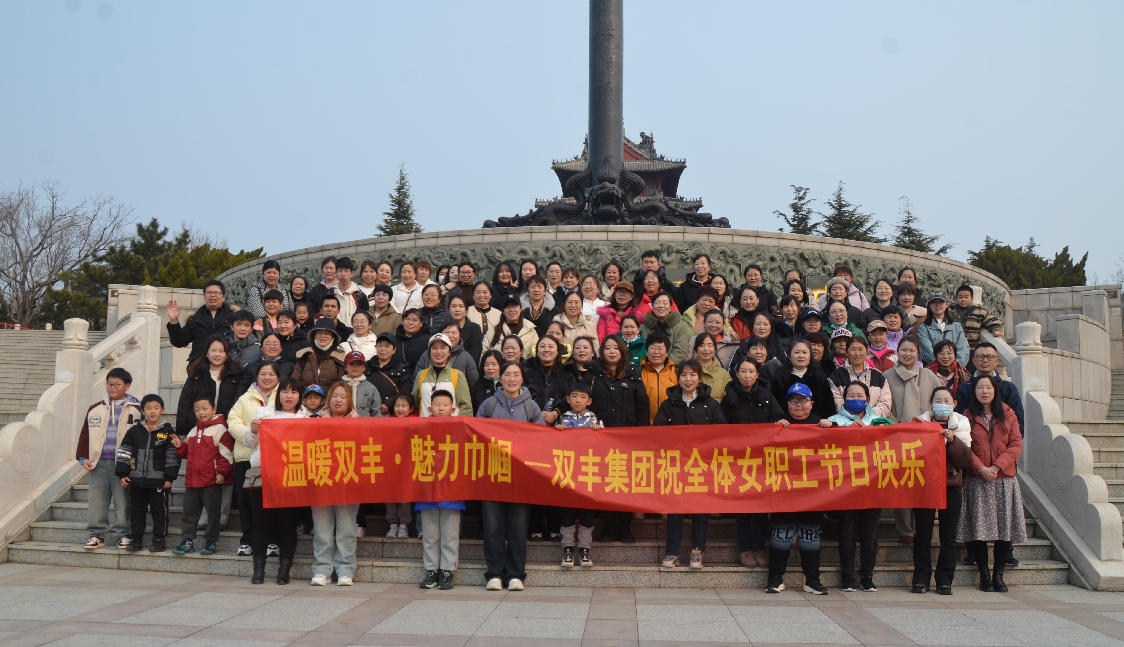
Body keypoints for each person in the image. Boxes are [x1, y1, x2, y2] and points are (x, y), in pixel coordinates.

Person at [477, 362, 545, 591]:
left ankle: (516, 574)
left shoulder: (531, 407)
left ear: (522, 379)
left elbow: (542, 437)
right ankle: (494, 573)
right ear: (500, 378)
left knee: (518, 526)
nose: (512, 379)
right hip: (492, 473)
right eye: (507, 374)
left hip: (520, 475)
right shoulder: (489, 404)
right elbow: (476, 435)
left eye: (516, 374)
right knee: (492, 526)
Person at [655, 359, 725, 569]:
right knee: (675, 509)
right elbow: (657, 433)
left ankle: (697, 551)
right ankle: (672, 552)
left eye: (693, 375)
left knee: (701, 509)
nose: (688, 379)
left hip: (701, 466)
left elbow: (722, 433)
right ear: (678, 378)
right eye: (684, 375)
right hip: (675, 465)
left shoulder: (711, 404)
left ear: (699, 377)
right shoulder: (668, 404)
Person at [959, 375, 1026, 593]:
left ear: (995, 390)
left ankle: (998, 575)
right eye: (980, 387)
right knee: (979, 531)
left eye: (988, 387)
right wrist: (980, 468)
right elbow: (964, 446)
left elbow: (1016, 444)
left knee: (1003, 530)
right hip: (977, 480)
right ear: (974, 391)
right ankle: (984, 576)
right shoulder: (966, 416)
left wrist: (997, 467)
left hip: (1003, 479)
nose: (984, 391)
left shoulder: (1008, 413)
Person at [767, 382, 833, 595]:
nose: (798, 405)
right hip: (783, 491)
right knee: (781, 535)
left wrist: (831, 427)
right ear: (787, 404)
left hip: (812, 493)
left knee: (810, 536)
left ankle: (812, 580)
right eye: (793, 400)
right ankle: (775, 578)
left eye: (803, 400)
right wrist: (774, 428)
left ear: (811, 403)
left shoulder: (822, 424)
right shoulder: (778, 424)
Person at [242, 377, 307, 584]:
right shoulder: (264, 414)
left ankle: (284, 570)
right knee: (261, 524)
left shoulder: (306, 418)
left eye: (294, 392)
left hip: (291, 477)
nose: (289, 396)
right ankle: (258, 570)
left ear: (300, 396)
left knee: (288, 526)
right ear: (279, 395)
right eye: (285, 391)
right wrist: (253, 430)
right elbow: (249, 442)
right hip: (263, 474)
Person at [721, 357, 784, 569]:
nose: (747, 375)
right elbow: (720, 428)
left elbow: (778, 417)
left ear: (757, 374)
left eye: (751, 371)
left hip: (762, 459)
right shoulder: (728, 397)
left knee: (760, 507)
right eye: (743, 371)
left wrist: (780, 422)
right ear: (736, 373)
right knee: (742, 509)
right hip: (739, 460)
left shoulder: (766, 394)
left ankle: (758, 548)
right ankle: (745, 550)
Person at [911, 386, 974, 595]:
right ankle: (921, 579)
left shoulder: (962, 425)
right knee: (923, 535)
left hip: (951, 486)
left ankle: (945, 580)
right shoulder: (920, 424)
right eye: (938, 400)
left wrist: (952, 440)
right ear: (931, 403)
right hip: (925, 485)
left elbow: (965, 461)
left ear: (955, 404)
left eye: (947, 401)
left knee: (948, 537)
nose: (943, 404)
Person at [827, 381, 888, 592]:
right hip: (846, 485)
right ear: (843, 399)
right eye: (850, 396)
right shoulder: (834, 420)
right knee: (848, 532)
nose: (855, 399)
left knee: (871, 534)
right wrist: (841, 431)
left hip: (873, 484)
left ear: (868, 399)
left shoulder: (879, 421)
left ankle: (867, 577)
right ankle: (847, 577)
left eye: (860, 396)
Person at [76, 368, 142, 550]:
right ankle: (96, 534)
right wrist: (83, 458)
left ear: (127, 386)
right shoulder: (95, 408)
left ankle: (123, 534)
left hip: (123, 464)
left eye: (117, 384)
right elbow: (85, 434)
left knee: (123, 500)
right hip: (99, 463)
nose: (112, 388)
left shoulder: (137, 409)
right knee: (97, 500)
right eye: (109, 384)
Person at [885, 335, 939, 543]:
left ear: (918, 354)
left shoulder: (928, 375)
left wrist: (927, 420)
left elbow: (938, 402)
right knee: (902, 484)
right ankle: (905, 531)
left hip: (925, 439)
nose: (907, 354)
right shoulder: (887, 376)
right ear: (897, 352)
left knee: (923, 482)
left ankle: (923, 528)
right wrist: (896, 423)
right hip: (897, 436)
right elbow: (884, 405)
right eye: (903, 350)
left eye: (912, 350)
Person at [227, 362, 281, 558]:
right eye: (263, 374)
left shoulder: (283, 396)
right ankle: (247, 541)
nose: (267, 377)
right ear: (257, 376)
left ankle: (273, 541)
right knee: (246, 502)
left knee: (272, 500)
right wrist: (251, 432)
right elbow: (232, 422)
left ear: (278, 377)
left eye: (271, 374)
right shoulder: (245, 398)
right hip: (247, 456)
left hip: (275, 458)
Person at [309, 383, 361, 586]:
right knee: (322, 528)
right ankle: (322, 569)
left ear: (350, 401)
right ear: (328, 399)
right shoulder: (314, 422)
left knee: (347, 527)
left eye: (343, 396)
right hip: (321, 479)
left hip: (348, 480)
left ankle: (345, 569)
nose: (338, 400)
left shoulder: (359, 423)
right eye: (335, 396)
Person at [415, 390, 466, 591]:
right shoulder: (421, 428)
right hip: (427, 490)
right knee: (430, 534)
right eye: (437, 405)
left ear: (453, 409)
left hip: (452, 490)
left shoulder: (460, 428)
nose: (441, 408)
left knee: (450, 534)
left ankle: (447, 570)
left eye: (445, 405)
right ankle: (431, 570)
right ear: (429, 408)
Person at [114, 393, 178, 553]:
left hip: (158, 481)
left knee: (159, 511)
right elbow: (124, 452)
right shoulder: (134, 431)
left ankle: (159, 539)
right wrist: (123, 474)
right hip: (136, 480)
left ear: (162, 410)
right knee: (136, 511)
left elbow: (172, 455)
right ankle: (136, 538)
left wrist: (169, 477)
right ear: (143, 411)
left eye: (156, 408)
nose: (152, 411)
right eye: (148, 408)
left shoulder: (168, 432)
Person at [171, 396, 233, 557]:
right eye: (197, 410)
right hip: (192, 481)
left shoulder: (220, 429)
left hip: (211, 480)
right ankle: (187, 541)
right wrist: (180, 446)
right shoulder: (193, 430)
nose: (201, 412)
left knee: (213, 513)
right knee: (189, 512)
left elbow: (226, 454)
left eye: (205, 409)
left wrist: (221, 472)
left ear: (214, 409)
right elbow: (186, 453)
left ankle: (210, 541)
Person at [555, 381, 602, 569]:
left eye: (583, 397)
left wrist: (599, 433)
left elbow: (604, 445)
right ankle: (567, 550)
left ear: (589, 401)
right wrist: (557, 431)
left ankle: (584, 550)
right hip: (566, 473)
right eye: (574, 396)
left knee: (586, 515)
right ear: (567, 399)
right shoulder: (561, 420)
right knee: (566, 513)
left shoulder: (595, 421)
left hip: (588, 474)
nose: (578, 400)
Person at [177, 337, 243, 440]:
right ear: (207, 353)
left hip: (226, 429)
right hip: (198, 428)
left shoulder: (236, 374)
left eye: (221, 351)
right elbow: (185, 403)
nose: (217, 354)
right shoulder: (197, 373)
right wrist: (181, 430)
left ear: (227, 354)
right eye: (213, 350)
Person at [955, 342, 1025, 436]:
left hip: (1003, 441)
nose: (985, 360)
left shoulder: (1008, 388)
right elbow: (958, 418)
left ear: (997, 361)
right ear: (974, 360)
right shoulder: (964, 388)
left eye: (989, 357)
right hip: (972, 440)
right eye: (981, 357)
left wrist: (1014, 441)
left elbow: (1018, 420)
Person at [166, 280, 235, 365]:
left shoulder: (233, 318)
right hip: (198, 367)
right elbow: (179, 342)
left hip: (225, 367)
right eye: (209, 292)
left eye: (216, 292)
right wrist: (174, 321)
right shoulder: (195, 319)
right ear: (204, 296)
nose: (212, 295)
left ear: (223, 297)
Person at [828, 335, 893, 418]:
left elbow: (885, 403)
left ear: (867, 351)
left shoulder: (878, 377)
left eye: (860, 349)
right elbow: (837, 403)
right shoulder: (835, 377)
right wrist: (853, 418)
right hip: (845, 423)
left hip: (873, 423)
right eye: (853, 349)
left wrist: (867, 417)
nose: (857, 353)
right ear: (847, 352)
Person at [771, 338, 835, 419]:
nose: (801, 356)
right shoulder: (780, 379)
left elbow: (829, 407)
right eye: (797, 352)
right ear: (789, 356)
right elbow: (775, 408)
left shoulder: (819, 378)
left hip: (816, 423)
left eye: (804, 352)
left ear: (810, 356)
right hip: (787, 423)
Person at [413, 333, 473, 417]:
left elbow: (466, 407)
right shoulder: (421, 375)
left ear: (449, 352)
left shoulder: (458, 375)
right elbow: (415, 402)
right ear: (429, 352)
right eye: (434, 348)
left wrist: (460, 425)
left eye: (443, 348)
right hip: (425, 424)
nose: (438, 352)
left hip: (451, 425)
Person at [383, 394, 417, 539]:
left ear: (411, 409)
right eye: (397, 406)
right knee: (389, 494)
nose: (400, 409)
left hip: (407, 466)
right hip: (390, 465)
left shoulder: (416, 422)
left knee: (405, 495)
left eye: (404, 406)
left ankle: (404, 524)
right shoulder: (387, 422)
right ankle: (392, 523)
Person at [951, 285, 1004, 369]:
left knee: (970, 371)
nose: (963, 300)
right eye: (960, 297)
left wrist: (995, 329)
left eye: (966, 297)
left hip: (971, 348)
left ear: (972, 299)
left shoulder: (979, 311)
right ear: (956, 299)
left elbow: (992, 320)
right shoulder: (950, 311)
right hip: (954, 349)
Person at [416, 320, 480, 385]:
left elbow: (474, 383)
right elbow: (416, 380)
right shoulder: (427, 354)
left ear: (460, 335)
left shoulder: (466, 357)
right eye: (447, 332)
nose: (450, 336)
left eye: (454, 332)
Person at [917, 292, 970, 366]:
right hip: (932, 369)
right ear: (929, 306)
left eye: (941, 302)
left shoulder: (957, 326)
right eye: (933, 302)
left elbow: (962, 349)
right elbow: (926, 350)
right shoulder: (923, 327)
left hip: (955, 369)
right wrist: (941, 366)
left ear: (947, 304)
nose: (937, 305)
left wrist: (956, 366)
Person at [640, 292, 692, 366]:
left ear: (670, 308)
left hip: (672, 368)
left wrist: (665, 365)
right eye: (657, 303)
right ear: (652, 307)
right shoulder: (643, 327)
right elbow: (640, 350)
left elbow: (680, 351)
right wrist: (651, 365)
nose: (661, 306)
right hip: (647, 367)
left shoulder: (680, 327)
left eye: (665, 303)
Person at [294, 319, 347, 391]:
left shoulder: (340, 359)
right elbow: (295, 385)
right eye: (319, 332)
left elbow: (342, 387)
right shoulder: (304, 356)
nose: (323, 336)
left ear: (333, 337)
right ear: (314, 336)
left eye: (327, 333)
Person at [365, 332, 411, 414]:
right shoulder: (367, 366)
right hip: (368, 411)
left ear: (394, 349)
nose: (383, 349)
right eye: (380, 345)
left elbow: (405, 393)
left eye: (387, 346)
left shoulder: (401, 368)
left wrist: (388, 403)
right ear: (375, 347)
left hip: (390, 412)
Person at [640, 333, 676, 424]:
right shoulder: (638, 373)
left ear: (666, 352)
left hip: (671, 424)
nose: (656, 352)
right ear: (646, 351)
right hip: (645, 424)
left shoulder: (676, 373)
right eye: (653, 348)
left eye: (660, 348)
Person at [340, 351, 382, 418]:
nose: (355, 366)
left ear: (364, 368)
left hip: (364, 423)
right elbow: (327, 408)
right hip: (342, 423)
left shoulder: (371, 388)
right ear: (345, 367)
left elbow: (377, 413)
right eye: (351, 363)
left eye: (359, 364)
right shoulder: (337, 387)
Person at [693, 332, 732, 401]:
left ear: (715, 349)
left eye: (710, 345)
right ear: (696, 349)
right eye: (702, 345)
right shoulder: (690, 372)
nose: (706, 349)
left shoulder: (724, 374)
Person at [332, 257, 369, 326]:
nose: (343, 274)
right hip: (334, 331)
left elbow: (366, 318)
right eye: (340, 271)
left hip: (354, 331)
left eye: (346, 271)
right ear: (336, 274)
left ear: (352, 273)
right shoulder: (330, 294)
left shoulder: (360, 295)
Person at [446, 294, 483, 362]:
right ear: (449, 309)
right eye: (453, 306)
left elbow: (475, 353)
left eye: (461, 306)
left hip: (467, 365)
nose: (457, 309)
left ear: (466, 310)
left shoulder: (475, 328)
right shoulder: (444, 328)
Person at [520, 274, 557, 338]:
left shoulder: (554, 310)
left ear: (545, 290)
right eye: (533, 287)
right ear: (527, 291)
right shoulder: (519, 309)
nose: (536, 290)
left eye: (540, 287)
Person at [470, 350, 504, 415]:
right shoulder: (475, 387)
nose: (490, 368)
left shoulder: (507, 385)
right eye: (486, 365)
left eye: (494, 364)